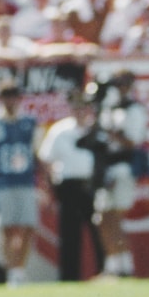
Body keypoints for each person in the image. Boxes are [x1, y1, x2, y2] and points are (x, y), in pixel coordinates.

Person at [37, 92, 107, 281]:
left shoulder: (97, 130)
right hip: (68, 186)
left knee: (99, 229)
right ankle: (69, 277)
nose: (80, 111)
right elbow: (46, 159)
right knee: (69, 233)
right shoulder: (60, 130)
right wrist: (49, 187)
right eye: (76, 107)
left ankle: (105, 272)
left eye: (83, 107)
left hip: (92, 185)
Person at [0, 81, 40, 287]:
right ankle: (12, 272)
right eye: (6, 95)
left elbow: (37, 155)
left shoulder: (29, 123)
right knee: (7, 228)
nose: (10, 100)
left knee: (28, 226)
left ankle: (19, 269)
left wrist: (44, 184)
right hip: (1, 183)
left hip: (26, 181)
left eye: (14, 95)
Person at [95, 70, 149, 279]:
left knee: (115, 216)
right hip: (107, 167)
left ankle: (125, 265)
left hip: (124, 167)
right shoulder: (110, 108)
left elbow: (133, 142)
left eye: (124, 84)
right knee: (103, 217)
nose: (120, 89)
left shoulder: (135, 110)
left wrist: (112, 133)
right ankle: (113, 263)